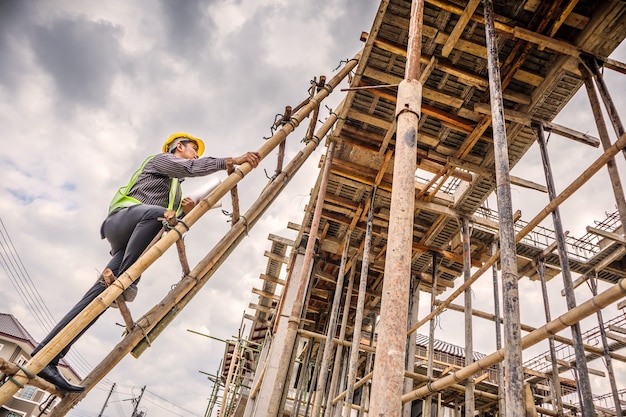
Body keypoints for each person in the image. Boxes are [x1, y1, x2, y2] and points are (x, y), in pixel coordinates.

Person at [31, 133, 261, 392]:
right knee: (157, 214)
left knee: (96, 299)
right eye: (193, 149)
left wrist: (185, 209)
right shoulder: (160, 161)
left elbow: (167, 223)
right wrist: (231, 161)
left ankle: (46, 358)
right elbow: (190, 168)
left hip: (135, 238)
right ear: (179, 147)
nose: (195, 155)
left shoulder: (175, 192)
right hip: (121, 221)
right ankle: (130, 279)